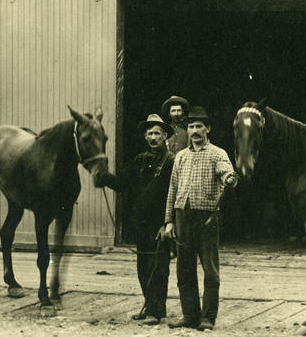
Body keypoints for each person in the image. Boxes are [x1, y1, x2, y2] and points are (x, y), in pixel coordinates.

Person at [160, 105, 239, 330]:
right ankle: (190, 316)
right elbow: (172, 190)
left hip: (207, 218)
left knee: (210, 271)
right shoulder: (181, 157)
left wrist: (230, 178)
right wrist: (168, 221)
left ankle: (207, 318)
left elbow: (226, 171)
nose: (195, 131)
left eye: (199, 127)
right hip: (182, 216)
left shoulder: (218, 154)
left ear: (208, 129)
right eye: (192, 126)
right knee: (184, 270)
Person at [101, 113, 174, 324]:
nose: (153, 137)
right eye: (149, 133)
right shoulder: (140, 160)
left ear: (165, 136)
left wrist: (168, 223)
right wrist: (103, 175)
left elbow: (175, 194)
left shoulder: (171, 161)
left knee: (158, 268)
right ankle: (149, 305)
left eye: (157, 133)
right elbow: (121, 183)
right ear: (145, 136)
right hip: (141, 225)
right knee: (143, 267)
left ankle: (156, 311)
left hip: (160, 225)